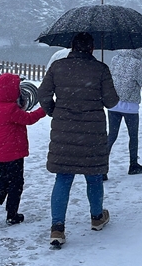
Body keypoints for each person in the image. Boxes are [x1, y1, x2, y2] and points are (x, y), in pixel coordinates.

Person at [37, 32, 120, 247]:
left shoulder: (57, 67)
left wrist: (54, 110)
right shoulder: (101, 69)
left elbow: (42, 94)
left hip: (64, 130)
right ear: (91, 49)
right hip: (92, 133)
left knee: (63, 178)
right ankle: (96, 217)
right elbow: (111, 102)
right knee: (93, 175)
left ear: (71, 47)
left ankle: (57, 228)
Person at [0, 73, 46, 225]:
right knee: (16, 183)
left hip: (0, 153)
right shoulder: (10, 109)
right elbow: (29, 119)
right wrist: (44, 110)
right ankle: (12, 214)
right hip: (13, 152)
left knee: (5, 179)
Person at [106, 48, 142, 180]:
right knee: (133, 136)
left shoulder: (115, 59)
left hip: (113, 103)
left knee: (111, 135)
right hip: (130, 106)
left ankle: (101, 167)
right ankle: (133, 165)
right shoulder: (137, 63)